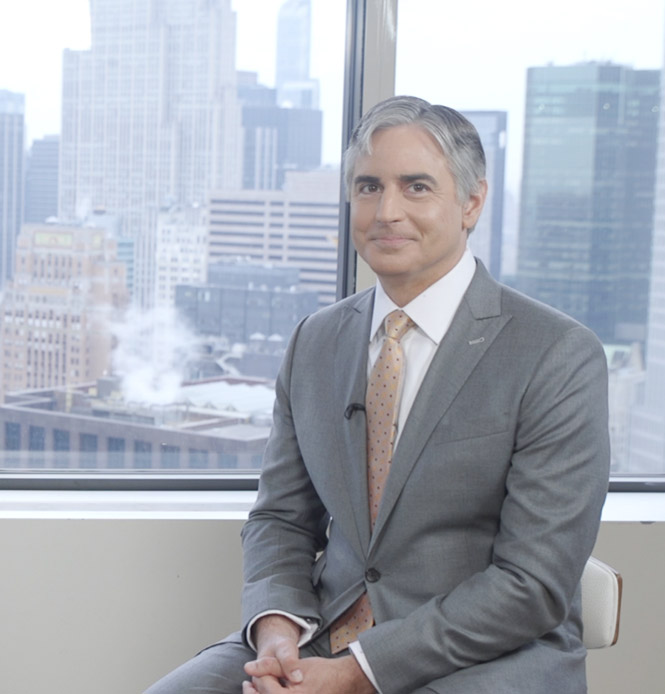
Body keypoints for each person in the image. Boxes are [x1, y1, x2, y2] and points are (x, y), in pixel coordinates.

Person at [144, 96, 609, 694]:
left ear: (472, 202)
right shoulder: (315, 341)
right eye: (369, 187)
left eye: (416, 187)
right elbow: (281, 518)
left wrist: (356, 673)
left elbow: (532, 585)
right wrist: (278, 629)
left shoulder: (556, 354)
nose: (387, 211)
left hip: (486, 659)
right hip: (321, 638)